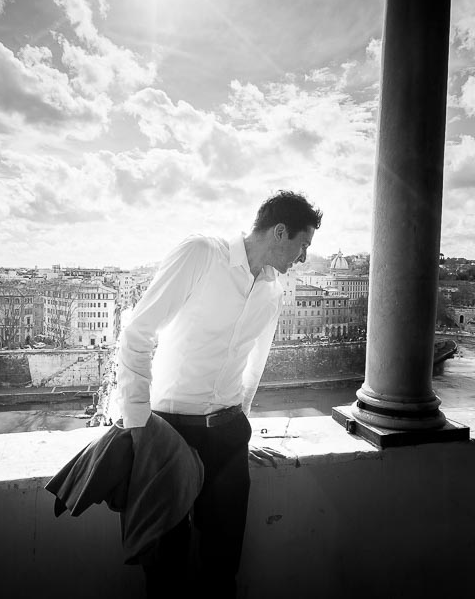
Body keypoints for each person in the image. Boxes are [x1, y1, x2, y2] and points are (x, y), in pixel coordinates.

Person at [114, 190, 322, 598]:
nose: (303, 258)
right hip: (167, 433)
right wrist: (138, 426)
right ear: (280, 232)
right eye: (303, 245)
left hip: (228, 437)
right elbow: (137, 332)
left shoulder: (273, 290)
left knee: (223, 568)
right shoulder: (200, 255)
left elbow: (254, 365)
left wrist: (238, 420)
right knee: (165, 570)